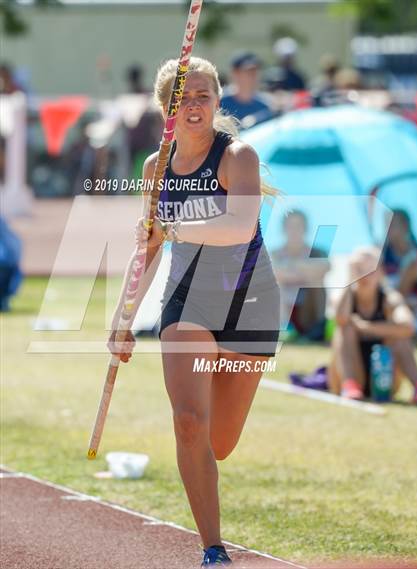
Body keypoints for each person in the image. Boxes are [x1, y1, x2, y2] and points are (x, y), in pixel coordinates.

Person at [107, 57, 280, 566]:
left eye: (204, 95)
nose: (194, 105)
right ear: (166, 109)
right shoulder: (154, 169)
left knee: (219, 443)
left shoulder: (238, 157)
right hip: (189, 301)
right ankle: (213, 549)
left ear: (217, 101)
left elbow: (240, 227)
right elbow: (148, 248)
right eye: (183, 97)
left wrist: (174, 227)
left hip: (249, 301)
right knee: (188, 423)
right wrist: (123, 317)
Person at [329, 247, 417, 404]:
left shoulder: (389, 297)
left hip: (383, 380)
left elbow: (407, 326)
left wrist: (365, 327)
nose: (365, 275)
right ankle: (350, 385)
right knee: (346, 329)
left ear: (380, 272)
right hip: (348, 375)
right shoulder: (342, 295)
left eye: (370, 269)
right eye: (359, 269)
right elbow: (341, 319)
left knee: (399, 337)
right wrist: (350, 281)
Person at [272, 211, 330, 340]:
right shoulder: (274, 253)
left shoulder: (318, 252)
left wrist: (290, 268)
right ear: (284, 229)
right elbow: (273, 273)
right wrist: (304, 271)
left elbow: (325, 268)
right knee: (274, 283)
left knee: (316, 282)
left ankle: (316, 329)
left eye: (298, 226)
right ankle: (283, 328)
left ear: (305, 228)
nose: (294, 230)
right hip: (283, 308)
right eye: (290, 226)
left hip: (307, 309)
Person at [382, 209, 417, 323]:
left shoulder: (416, 254)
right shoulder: (380, 255)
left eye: (392, 224)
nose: (388, 228)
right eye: (386, 224)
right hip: (391, 304)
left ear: (405, 226)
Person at [220, 51, 274, 128]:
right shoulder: (219, 103)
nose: (254, 75)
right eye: (249, 71)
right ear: (235, 73)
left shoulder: (265, 106)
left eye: (256, 71)